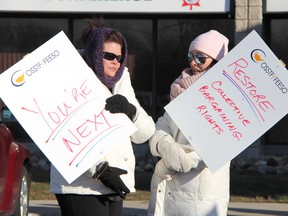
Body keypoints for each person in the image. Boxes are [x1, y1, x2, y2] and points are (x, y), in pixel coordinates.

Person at [49, 20, 155, 216]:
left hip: (114, 182)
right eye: (109, 56)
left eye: (120, 57)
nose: (116, 62)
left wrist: (132, 112)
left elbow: (145, 133)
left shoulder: (121, 80)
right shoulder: (70, 79)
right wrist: (99, 170)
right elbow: (62, 136)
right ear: (95, 55)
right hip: (80, 186)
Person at [147, 30, 230, 216]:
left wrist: (171, 162)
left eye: (201, 58)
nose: (193, 62)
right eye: (190, 56)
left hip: (200, 194)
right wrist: (165, 146)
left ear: (217, 61)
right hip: (170, 186)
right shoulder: (179, 87)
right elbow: (163, 123)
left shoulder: (226, 97)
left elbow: (217, 146)